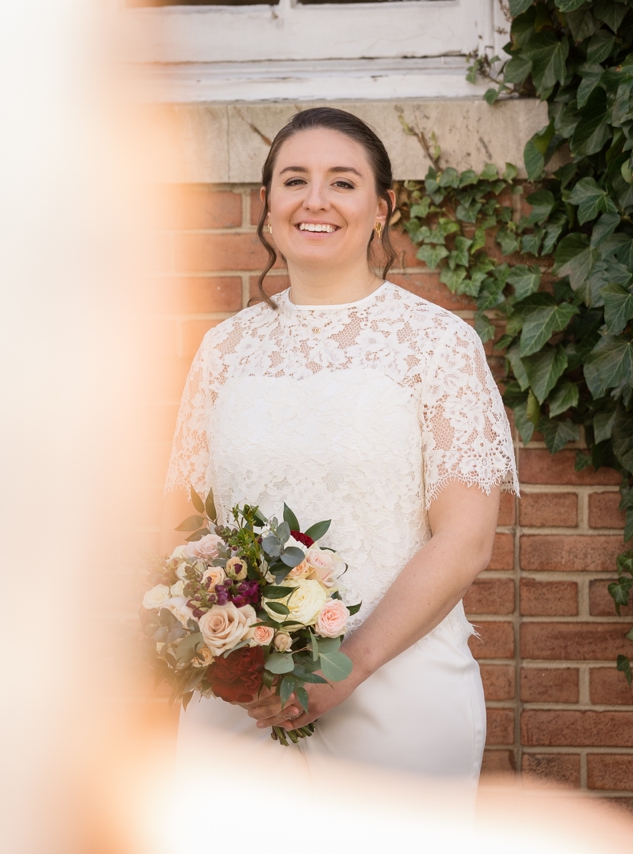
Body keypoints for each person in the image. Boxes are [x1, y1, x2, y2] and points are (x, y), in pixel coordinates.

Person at [166, 107, 518, 787]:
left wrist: (349, 665)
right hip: (239, 704)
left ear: (384, 207)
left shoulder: (438, 345)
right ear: (267, 205)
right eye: (294, 180)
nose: (316, 200)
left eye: (343, 182)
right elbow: (185, 532)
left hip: (397, 696)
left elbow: (466, 539)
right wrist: (229, 657)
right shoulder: (224, 352)